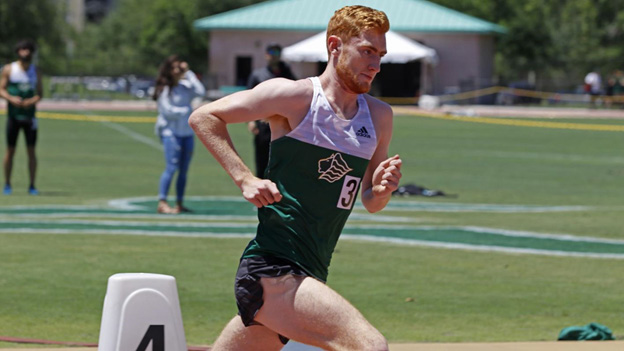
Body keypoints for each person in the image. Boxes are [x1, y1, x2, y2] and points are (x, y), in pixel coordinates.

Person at [189, 5, 402, 350]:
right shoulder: (294, 97)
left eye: (380, 54)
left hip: (310, 272)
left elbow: (371, 201)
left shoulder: (379, 116)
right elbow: (205, 117)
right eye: (366, 52)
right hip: (272, 270)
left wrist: (382, 189)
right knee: (369, 345)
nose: (375, 64)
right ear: (335, 46)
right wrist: (245, 178)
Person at [153, 55, 206, 214]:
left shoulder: (185, 86)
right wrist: (186, 111)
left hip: (187, 133)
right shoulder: (166, 89)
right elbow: (167, 111)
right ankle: (162, 202)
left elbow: (200, 91)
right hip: (171, 133)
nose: (178, 71)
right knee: (171, 167)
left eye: (180, 68)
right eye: (175, 68)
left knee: (184, 170)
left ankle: (179, 202)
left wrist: (188, 72)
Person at [246, 43, 296, 178]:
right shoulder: (258, 75)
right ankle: (261, 187)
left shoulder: (288, 73)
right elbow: (248, 98)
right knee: (262, 157)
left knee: (282, 157)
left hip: (283, 121)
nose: (272, 56)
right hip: (263, 123)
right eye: (270, 53)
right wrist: (250, 121)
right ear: (265, 54)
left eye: (276, 53)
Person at [0, 39, 43, 195]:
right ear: (18, 51)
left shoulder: (35, 71)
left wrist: (31, 102)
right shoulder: (9, 69)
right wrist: (12, 99)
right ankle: (7, 184)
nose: (25, 52)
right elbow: (1, 89)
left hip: (30, 117)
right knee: (10, 151)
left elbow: (40, 94)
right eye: (22, 49)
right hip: (13, 116)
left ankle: (32, 185)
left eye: (28, 50)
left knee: (31, 151)